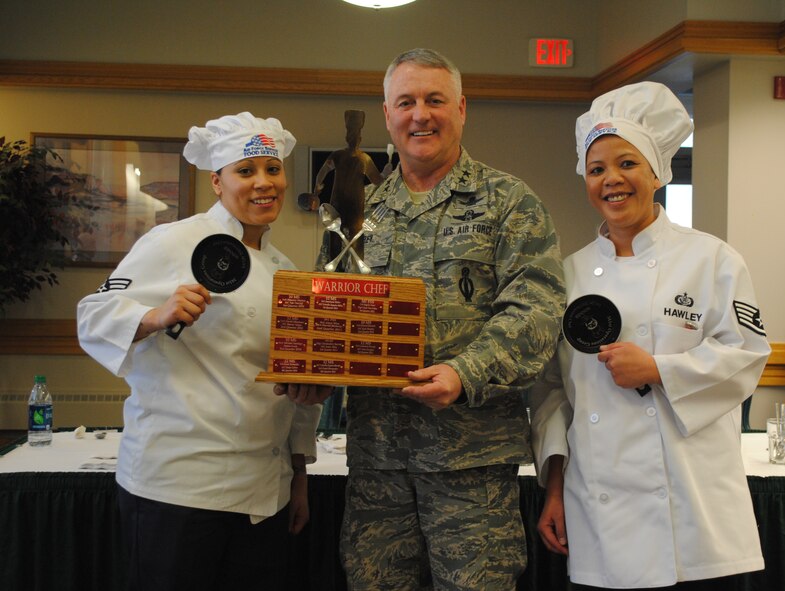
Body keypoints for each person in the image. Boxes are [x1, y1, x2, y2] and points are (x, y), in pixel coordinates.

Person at [320, 48, 565, 590]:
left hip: (470, 465)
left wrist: (466, 372)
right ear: (387, 115)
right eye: (405, 102)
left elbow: (538, 310)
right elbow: (329, 308)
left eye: (434, 100)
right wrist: (310, 374)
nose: (420, 115)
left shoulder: (509, 203)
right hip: (377, 463)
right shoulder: (358, 211)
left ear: (461, 108)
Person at [530, 82, 771, 590]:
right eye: (596, 170)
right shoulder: (566, 276)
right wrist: (554, 486)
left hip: (691, 515)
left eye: (627, 164)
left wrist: (660, 370)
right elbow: (553, 393)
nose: (611, 180)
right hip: (599, 513)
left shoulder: (712, 260)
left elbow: (748, 355)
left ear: (658, 172)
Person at [77, 112, 322, 591]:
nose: (263, 183)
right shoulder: (174, 241)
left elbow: (294, 374)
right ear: (217, 181)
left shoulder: (285, 270)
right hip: (178, 489)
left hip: (262, 494)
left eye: (272, 169)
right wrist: (154, 316)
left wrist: (298, 473)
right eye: (246, 171)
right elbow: (91, 315)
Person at [313, 109, 385, 260]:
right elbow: (378, 181)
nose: (354, 139)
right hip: (347, 204)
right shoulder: (360, 158)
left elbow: (323, 172)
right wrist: (385, 173)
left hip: (350, 205)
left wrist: (318, 187)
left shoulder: (359, 158)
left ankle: (350, 267)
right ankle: (343, 266)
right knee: (347, 237)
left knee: (351, 238)